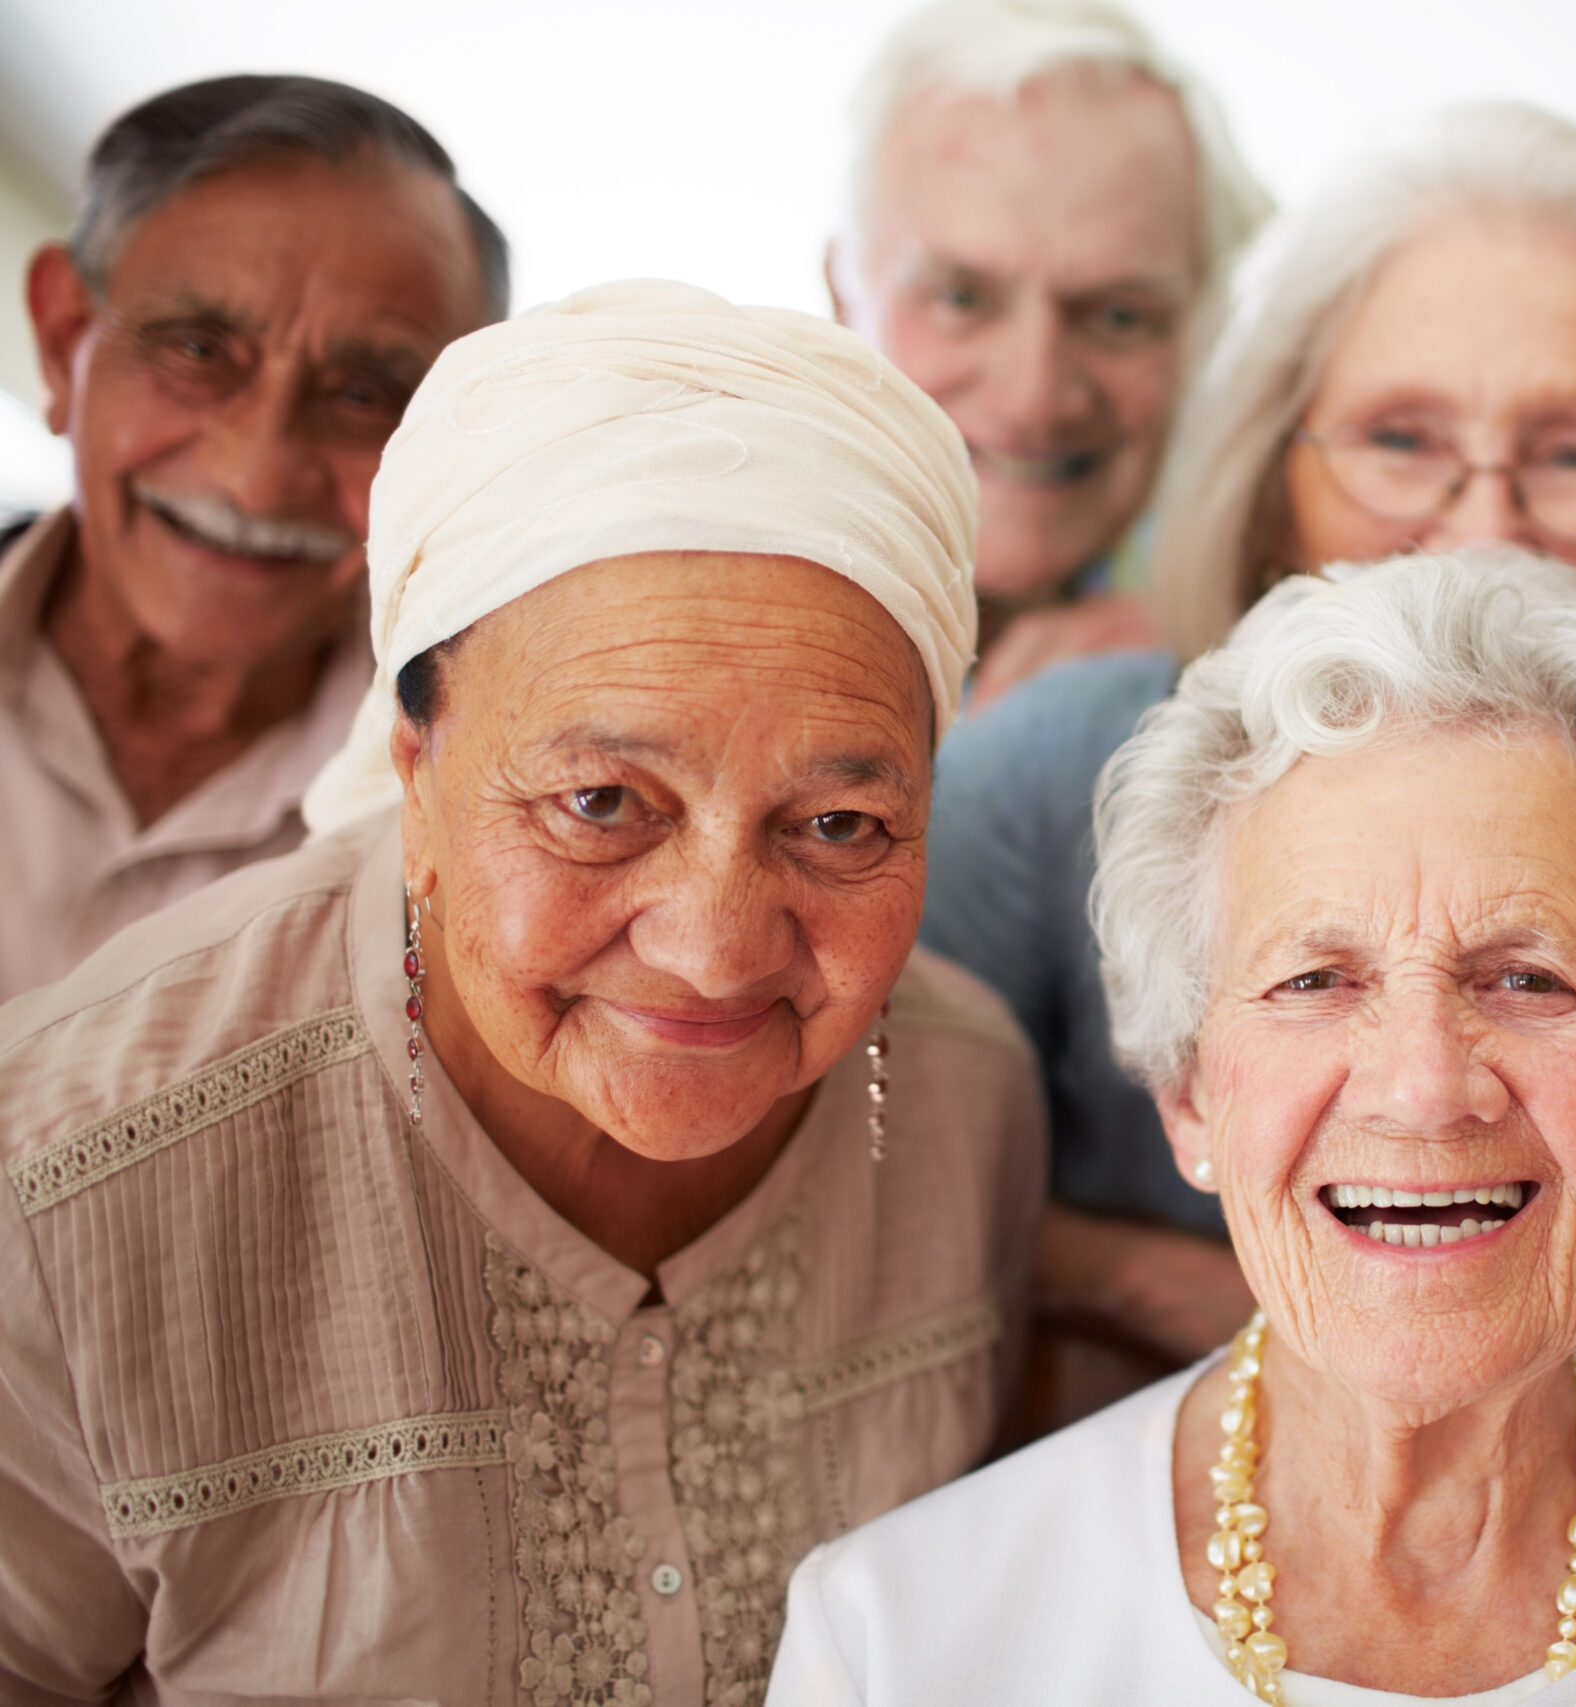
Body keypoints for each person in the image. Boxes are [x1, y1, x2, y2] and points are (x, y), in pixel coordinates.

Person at [0, 281, 1045, 1703]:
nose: (717, 948)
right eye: (603, 800)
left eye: (840, 823)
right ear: (416, 773)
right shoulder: (62, 1189)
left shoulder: (967, 1097)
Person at [918, 103, 1576, 1425]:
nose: (1482, 529)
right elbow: (866, 1178)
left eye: (1574, 455)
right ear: (1271, 479)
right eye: (1401, 439)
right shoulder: (1050, 770)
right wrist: (1212, 1292)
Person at [768, 550, 1576, 1703]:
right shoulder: (904, 1639)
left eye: (1526, 979)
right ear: (1189, 1096)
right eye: (1316, 981)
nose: (1421, 1088)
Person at [0, 74, 502, 1004]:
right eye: (196, 350)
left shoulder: (490, 806)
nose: (257, 476)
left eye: (360, 395)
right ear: (63, 334)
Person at [828, 0, 1272, 706]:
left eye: (1120, 317)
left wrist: (1224, 654)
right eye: (960, 299)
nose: (1033, 397)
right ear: (843, 298)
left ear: (1208, 332)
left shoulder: (1271, 627)